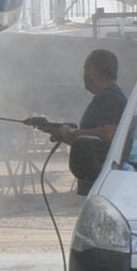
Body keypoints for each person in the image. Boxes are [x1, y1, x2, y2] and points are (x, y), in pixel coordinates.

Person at [53, 49, 127, 194]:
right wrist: (54, 129)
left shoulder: (110, 98)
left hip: (102, 182)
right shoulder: (107, 97)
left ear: (93, 71)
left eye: (85, 70)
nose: (84, 75)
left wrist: (74, 134)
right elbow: (89, 142)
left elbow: (109, 134)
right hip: (96, 181)